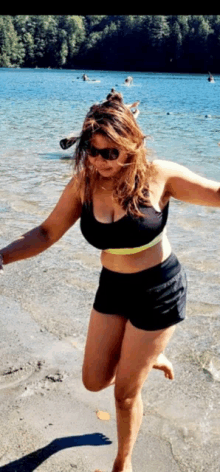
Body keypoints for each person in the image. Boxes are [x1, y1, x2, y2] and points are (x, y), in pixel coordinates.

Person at [0, 91, 220, 472]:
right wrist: (1, 256)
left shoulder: (159, 176)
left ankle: (124, 462)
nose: (100, 161)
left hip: (158, 291)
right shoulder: (84, 184)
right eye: (93, 151)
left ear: (131, 145)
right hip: (113, 288)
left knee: (124, 396)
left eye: (110, 152)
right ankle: (147, 355)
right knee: (93, 380)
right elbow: (47, 232)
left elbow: (217, 194)